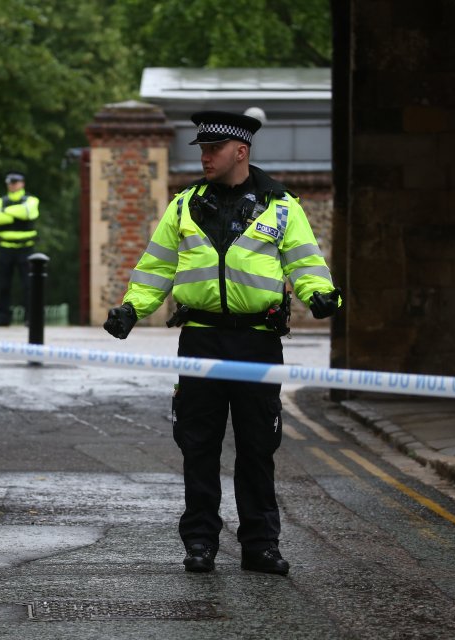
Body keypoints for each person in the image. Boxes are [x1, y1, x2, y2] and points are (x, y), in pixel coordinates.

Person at [104, 110, 341, 576]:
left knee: (257, 447)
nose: (205, 157)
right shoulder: (185, 205)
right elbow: (157, 266)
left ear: (241, 151)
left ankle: (260, 545)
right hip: (202, 339)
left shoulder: (281, 205)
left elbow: (304, 261)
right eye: (202, 149)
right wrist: (132, 308)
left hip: (256, 343)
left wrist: (321, 295)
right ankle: (199, 543)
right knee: (198, 445)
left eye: (213, 149)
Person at [0, 172, 40, 326]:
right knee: (3, 284)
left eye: (15, 182)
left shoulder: (31, 200)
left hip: (26, 248)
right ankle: (3, 317)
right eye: (10, 182)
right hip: (5, 248)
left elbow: (28, 213)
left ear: (22, 183)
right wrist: (18, 213)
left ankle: (31, 318)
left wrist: (6, 212)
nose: (12, 185)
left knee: (29, 284)